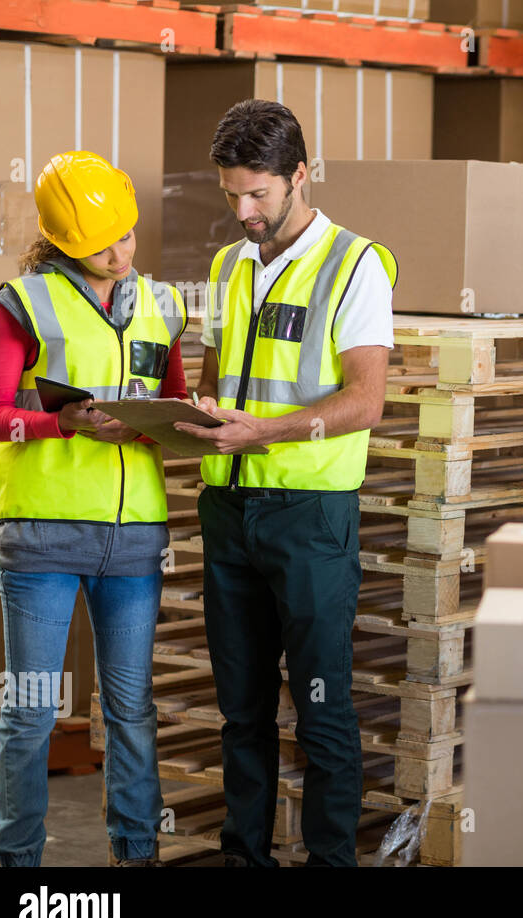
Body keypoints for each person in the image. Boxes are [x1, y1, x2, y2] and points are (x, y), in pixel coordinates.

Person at [175, 99, 396, 867]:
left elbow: (367, 401)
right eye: (232, 193)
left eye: (259, 194)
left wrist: (260, 432)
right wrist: (176, 416)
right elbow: (214, 384)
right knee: (241, 712)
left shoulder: (355, 264)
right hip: (228, 512)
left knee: (323, 711)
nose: (244, 212)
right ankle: (247, 859)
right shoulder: (228, 265)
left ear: (300, 176)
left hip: (309, 517)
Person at [0, 150, 187, 866]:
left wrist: (194, 420)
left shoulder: (164, 304)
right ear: (62, 242)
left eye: (125, 235)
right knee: (32, 713)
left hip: (133, 543)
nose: (118, 252)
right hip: (42, 537)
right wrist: (66, 423)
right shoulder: (26, 302)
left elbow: (176, 401)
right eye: (100, 243)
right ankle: (19, 867)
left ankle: (136, 856)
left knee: (131, 711)